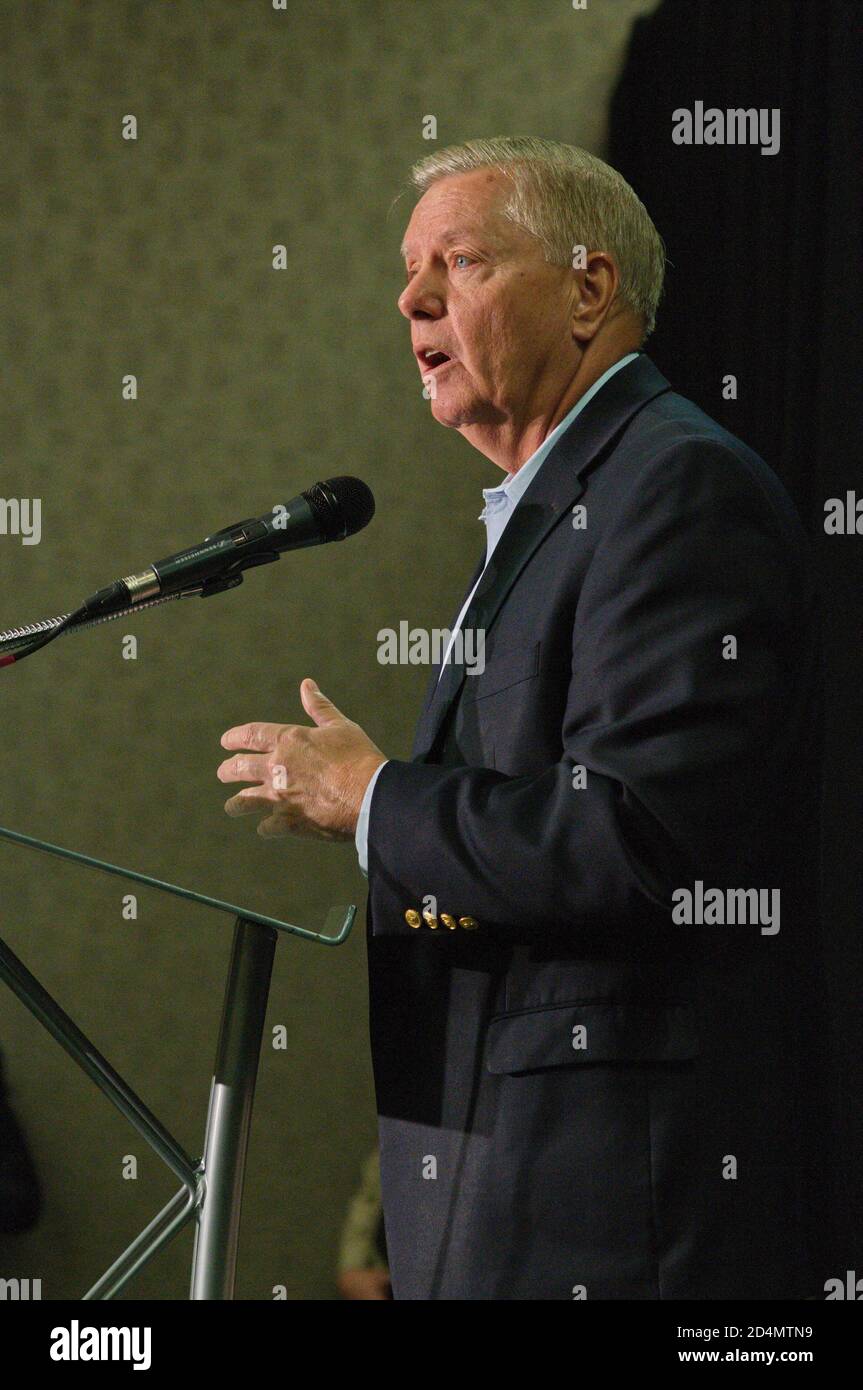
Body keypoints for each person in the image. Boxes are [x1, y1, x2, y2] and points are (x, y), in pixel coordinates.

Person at [217, 137, 826, 1300]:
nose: (410, 298)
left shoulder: (673, 486)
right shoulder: (553, 505)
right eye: (407, 272)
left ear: (589, 289)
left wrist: (374, 797)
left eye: (458, 262)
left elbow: (636, 836)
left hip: (613, 1211)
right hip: (505, 1189)